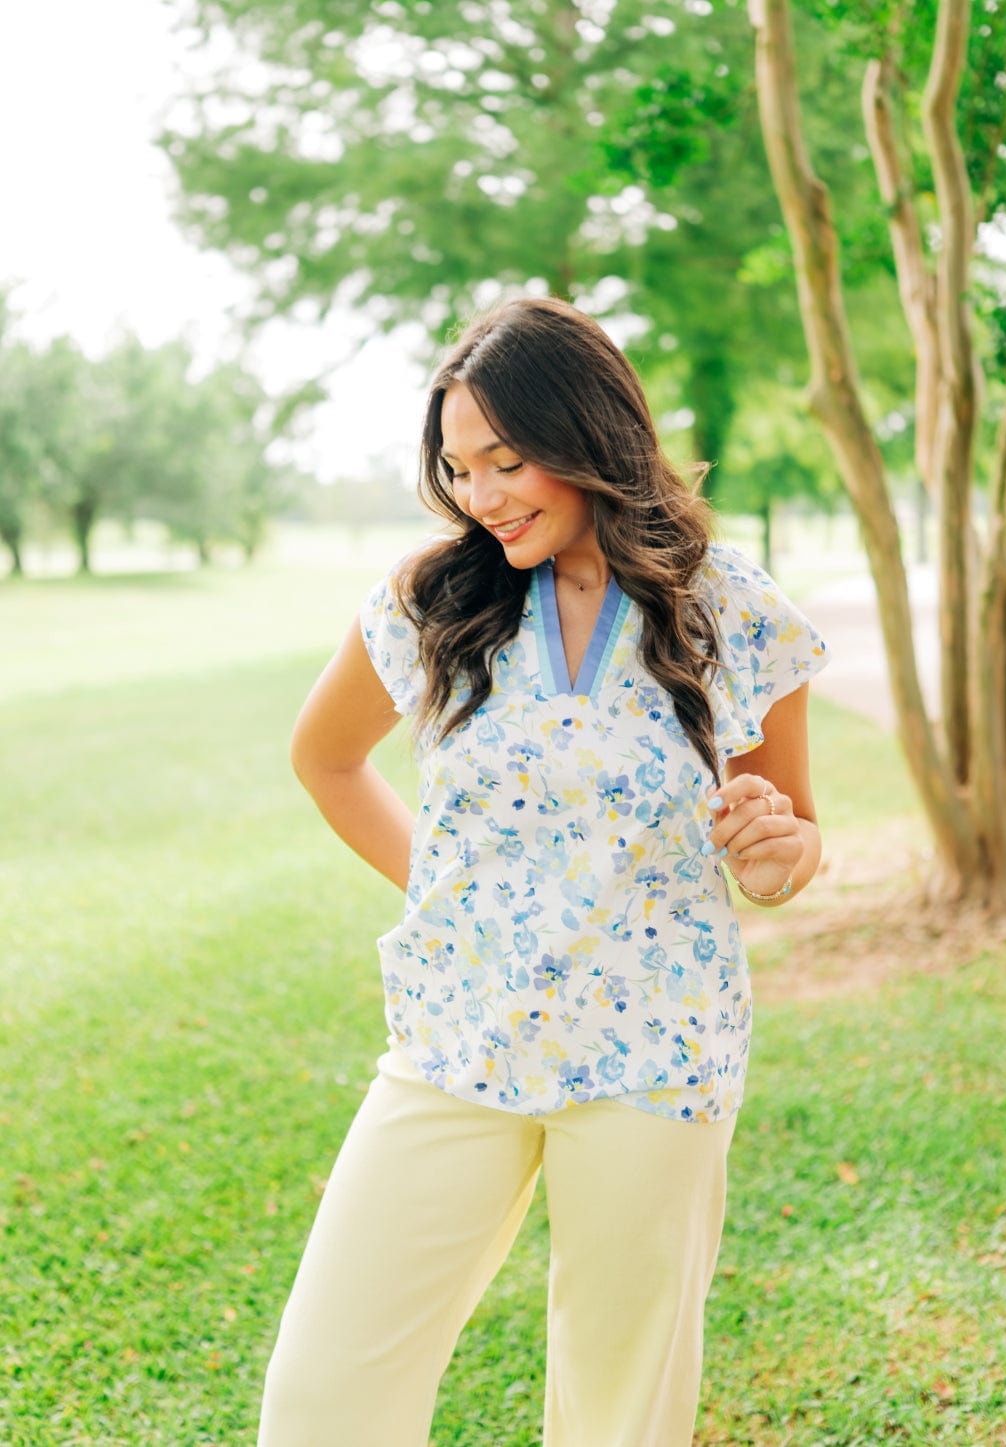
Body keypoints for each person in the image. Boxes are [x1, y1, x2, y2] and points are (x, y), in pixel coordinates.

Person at [258, 296, 829, 1447]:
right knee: (324, 1396)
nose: (480, 496)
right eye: (460, 468)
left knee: (618, 1416)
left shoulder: (736, 612)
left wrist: (780, 849)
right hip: (453, 1045)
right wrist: (452, 898)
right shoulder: (431, 602)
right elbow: (325, 760)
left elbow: (787, 848)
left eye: (505, 460)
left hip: (652, 1060)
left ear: (588, 433)